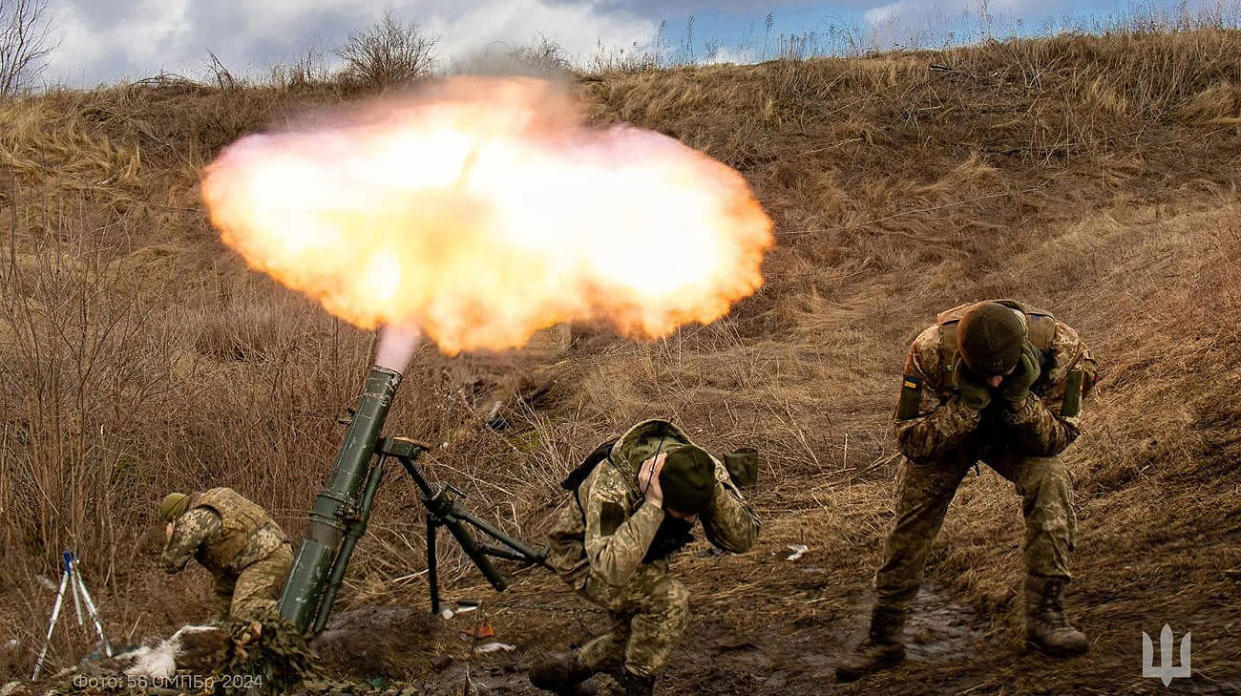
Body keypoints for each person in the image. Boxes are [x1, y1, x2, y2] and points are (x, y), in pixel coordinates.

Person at [837, 300, 1099, 681]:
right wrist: (965, 407)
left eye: (1004, 372)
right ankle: (884, 637)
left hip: (1021, 435)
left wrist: (1020, 401)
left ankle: (1047, 618)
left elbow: (1057, 439)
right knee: (911, 522)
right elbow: (912, 442)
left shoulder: (1063, 348)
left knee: (1052, 482)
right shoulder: (929, 351)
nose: (994, 381)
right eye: (984, 373)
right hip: (951, 435)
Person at [530, 419, 761, 696]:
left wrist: (712, 496)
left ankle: (560, 672)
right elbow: (609, 566)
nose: (690, 520)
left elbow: (743, 538)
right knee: (668, 601)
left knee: (632, 640)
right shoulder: (611, 486)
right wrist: (653, 506)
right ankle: (636, 686)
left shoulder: (699, 468)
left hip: (645, 549)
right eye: (683, 514)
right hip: (584, 557)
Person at [160, 487, 294, 622]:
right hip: (281, 549)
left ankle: (298, 616)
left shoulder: (192, 519)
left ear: (174, 518)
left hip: (264, 560)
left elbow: (170, 564)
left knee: (242, 609)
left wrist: (172, 537)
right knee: (224, 614)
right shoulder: (217, 496)